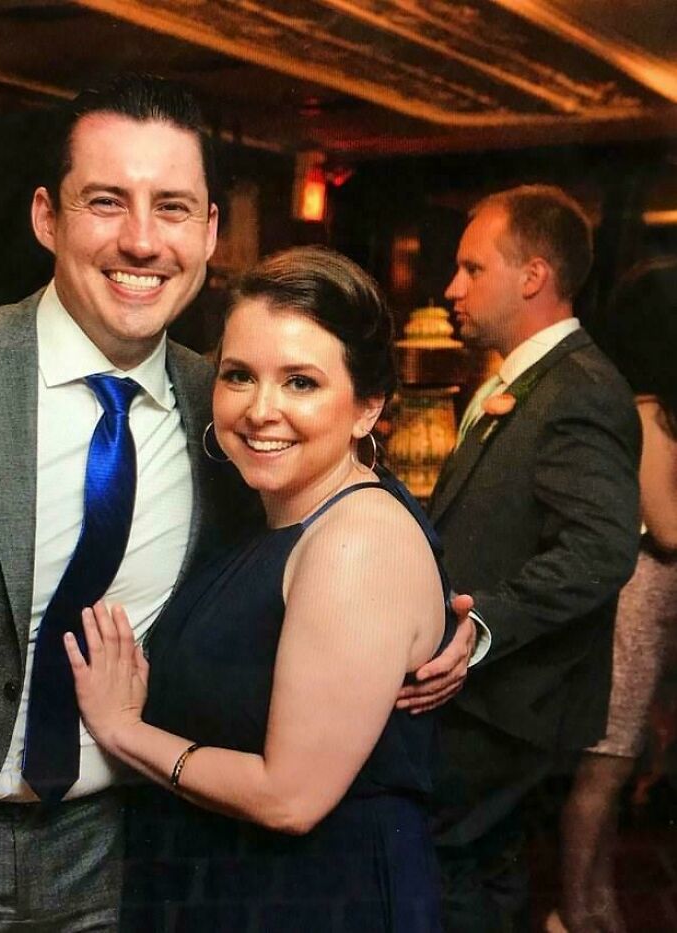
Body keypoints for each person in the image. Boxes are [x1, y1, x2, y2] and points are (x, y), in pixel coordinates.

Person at [65, 245, 464, 931]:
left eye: (301, 382)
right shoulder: (271, 513)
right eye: (239, 375)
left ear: (368, 406)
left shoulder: (353, 539)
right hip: (246, 887)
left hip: (318, 899)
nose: (260, 409)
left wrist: (123, 730)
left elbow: (291, 797)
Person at [0, 73, 253, 930]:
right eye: (106, 201)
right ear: (46, 217)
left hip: (128, 852)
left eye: (172, 207)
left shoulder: (238, 408)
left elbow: (355, 520)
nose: (142, 241)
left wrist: (458, 625)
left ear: (209, 231)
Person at [425, 185, 642, 931]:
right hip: (492, 699)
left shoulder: (576, 388)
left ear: (532, 276)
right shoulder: (525, 378)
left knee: (456, 872)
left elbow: (601, 548)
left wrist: (480, 625)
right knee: (481, 873)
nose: (452, 288)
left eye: (470, 268)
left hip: (509, 699)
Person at [551, 256, 677, 933]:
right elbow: (666, 524)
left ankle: (596, 906)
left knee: (616, 767)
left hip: (648, 609)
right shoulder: (649, 411)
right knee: (605, 767)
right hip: (636, 606)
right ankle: (573, 912)